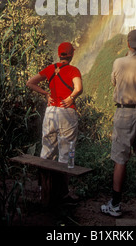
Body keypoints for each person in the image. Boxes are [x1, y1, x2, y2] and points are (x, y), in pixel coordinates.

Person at [101, 29, 136, 219]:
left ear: (128, 44)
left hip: (123, 113)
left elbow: (113, 83)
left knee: (120, 158)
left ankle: (116, 205)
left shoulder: (118, 63)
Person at [26, 41, 83, 200]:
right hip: (67, 113)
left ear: (59, 54)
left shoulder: (51, 68)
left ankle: (42, 190)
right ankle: (62, 193)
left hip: (51, 112)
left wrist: (45, 94)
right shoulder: (73, 70)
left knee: (47, 150)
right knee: (67, 152)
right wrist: (71, 98)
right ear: (72, 55)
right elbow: (79, 88)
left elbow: (30, 82)